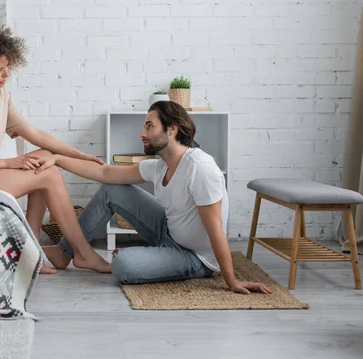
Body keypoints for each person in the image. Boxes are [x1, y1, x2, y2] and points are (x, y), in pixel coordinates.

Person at [35, 101, 272, 294]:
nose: (142, 134)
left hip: (194, 256)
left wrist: (231, 280)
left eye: (149, 126)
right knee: (111, 188)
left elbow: (216, 230)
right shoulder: (159, 167)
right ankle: (67, 252)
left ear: (172, 130)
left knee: (123, 265)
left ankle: (144, 257)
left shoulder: (200, 168)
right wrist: (57, 159)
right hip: (168, 231)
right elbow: (105, 172)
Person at [0, 24, 111, 274]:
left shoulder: (0, 94)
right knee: (46, 172)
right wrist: (9, 163)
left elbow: (35, 134)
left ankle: (31, 249)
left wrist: (77, 154)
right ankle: (82, 253)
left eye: (7, 67)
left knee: (44, 160)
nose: (6, 75)